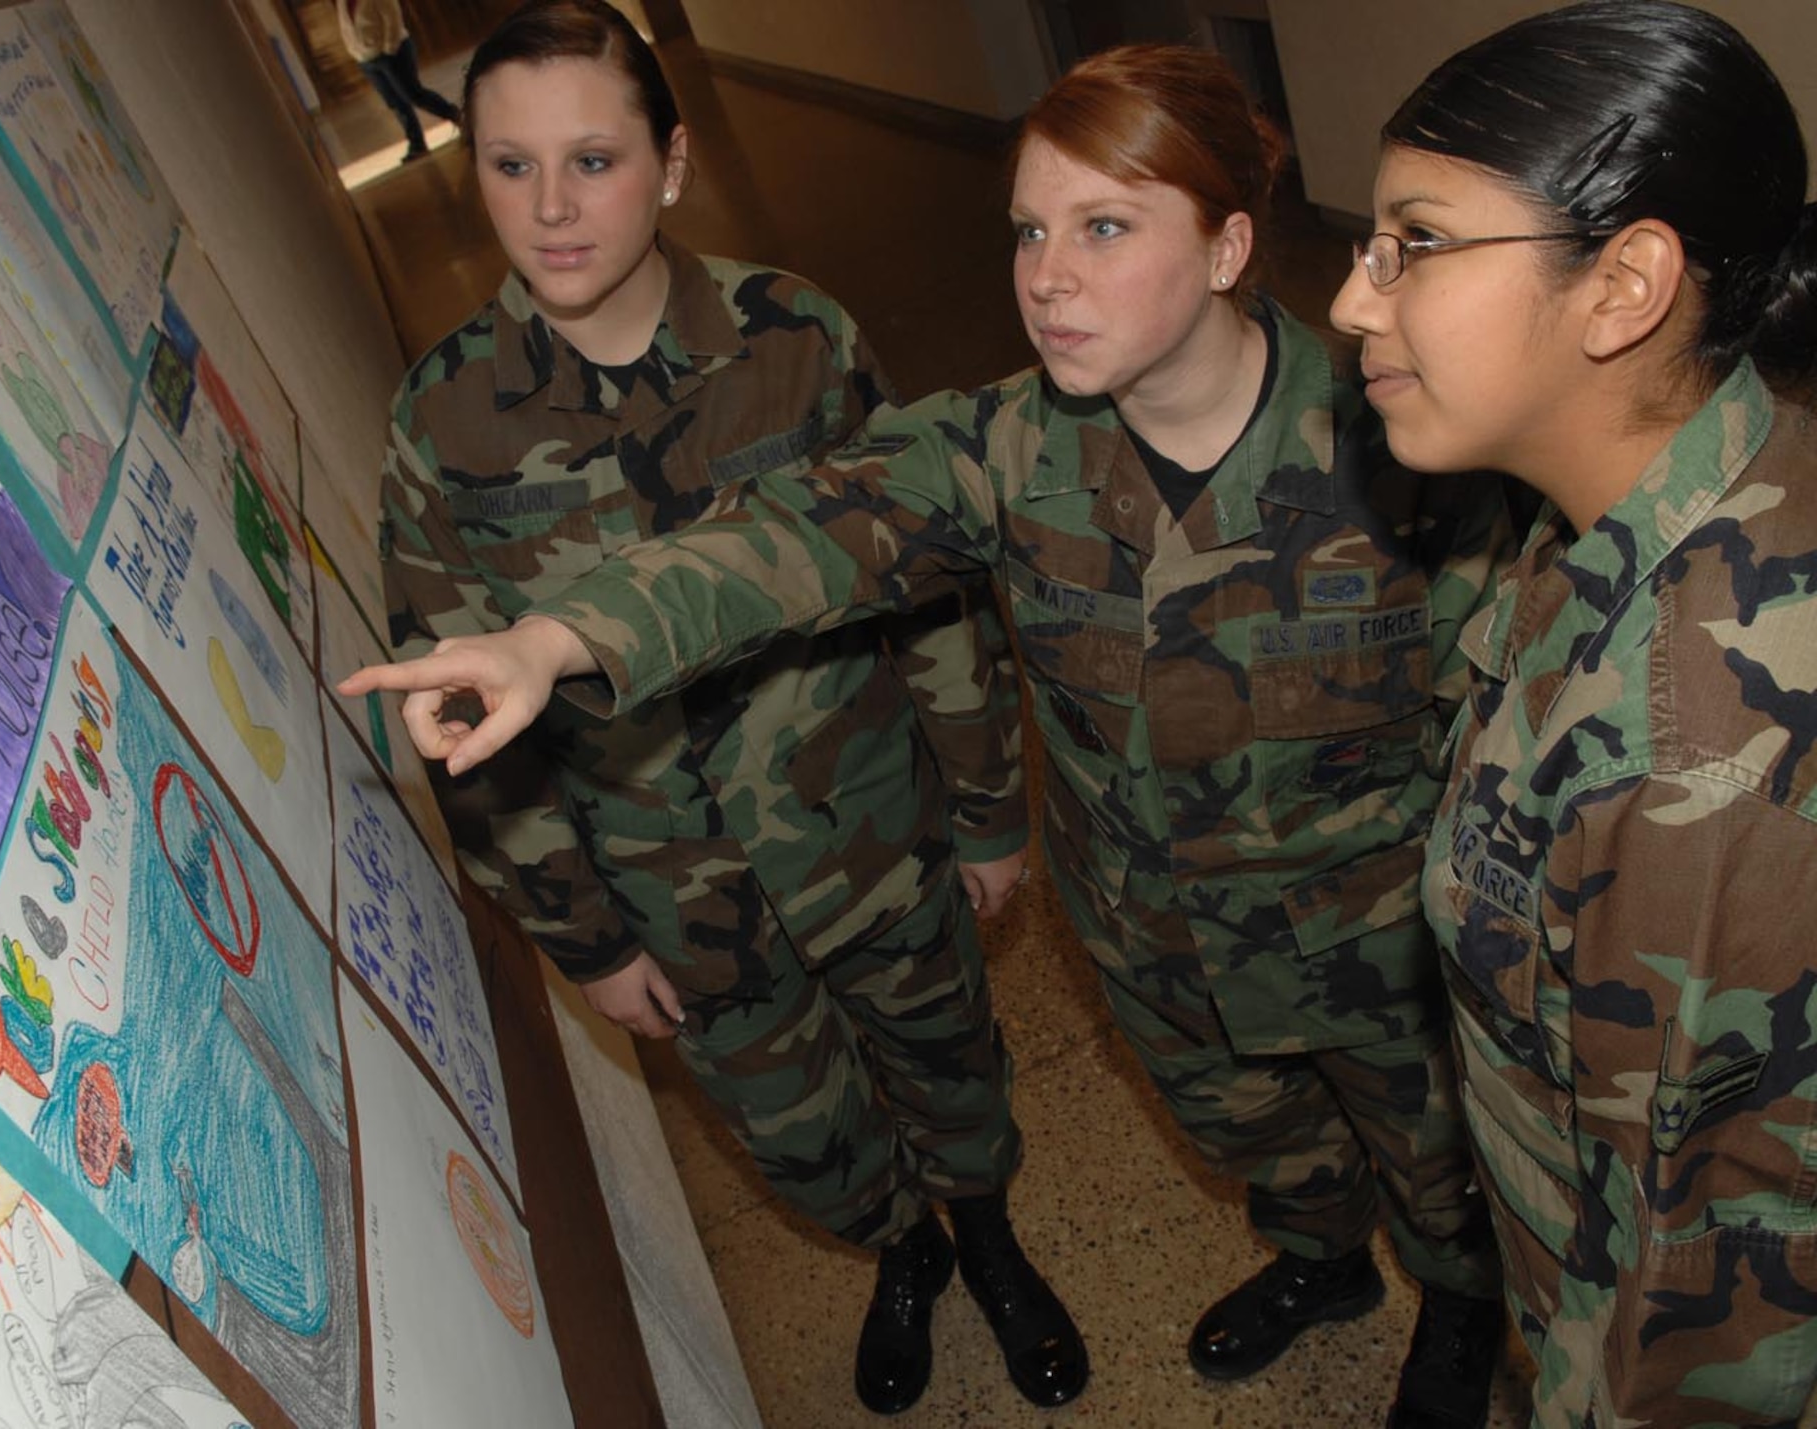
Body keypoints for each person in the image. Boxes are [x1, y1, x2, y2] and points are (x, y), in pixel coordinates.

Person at [346, 43, 1514, 1429]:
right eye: (1028, 229)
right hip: (1155, 943)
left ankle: (1459, 1304)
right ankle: (1323, 1261)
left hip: (1373, 944)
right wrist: (560, 637)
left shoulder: (1401, 457)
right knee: (1250, 1131)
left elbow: (1501, 739)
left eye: (1103, 228)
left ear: (1227, 245)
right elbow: (798, 534)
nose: (1046, 277)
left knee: (1437, 1159)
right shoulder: (1000, 449)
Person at [358, 0, 1085, 1414]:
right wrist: (586, 942)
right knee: (801, 1129)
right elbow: (464, 728)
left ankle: (986, 1238)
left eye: (594, 159)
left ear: (672, 163)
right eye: (510, 167)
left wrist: (991, 803)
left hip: (869, 817)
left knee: (947, 1055)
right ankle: (900, 1252)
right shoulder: (441, 425)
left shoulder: (793, 336)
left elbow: (923, 581)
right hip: (671, 892)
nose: (553, 210)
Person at [1328, 3, 1817, 1425]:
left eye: (1415, 243)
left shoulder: (1706, 764)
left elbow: (1694, 1306)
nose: (1357, 300)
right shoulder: (1636, 484)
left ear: (1624, 285)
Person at [335, 0, 461, 161]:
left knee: (413, 94)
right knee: (395, 103)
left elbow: (392, 17)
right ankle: (417, 144)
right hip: (367, 59)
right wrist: (355, 51)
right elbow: (347, 27)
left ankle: (455, 116)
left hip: (393, 53)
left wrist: (389, 48)